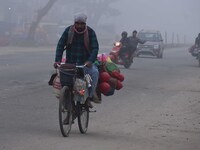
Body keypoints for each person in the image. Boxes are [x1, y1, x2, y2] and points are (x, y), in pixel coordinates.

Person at [54, 13, 100, 108]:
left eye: (81, 23)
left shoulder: (90, 32)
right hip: (70, 64)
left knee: (95, 73)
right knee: (64, 83)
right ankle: (68, 109)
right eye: (77, 23)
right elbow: (60, 45)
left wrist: (90, 61)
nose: (79, 25)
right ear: (74, 23)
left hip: (85, 64)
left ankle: (88, 98)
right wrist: (57, 60)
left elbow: (95, 48)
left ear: (85, 23)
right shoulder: (68, 31)